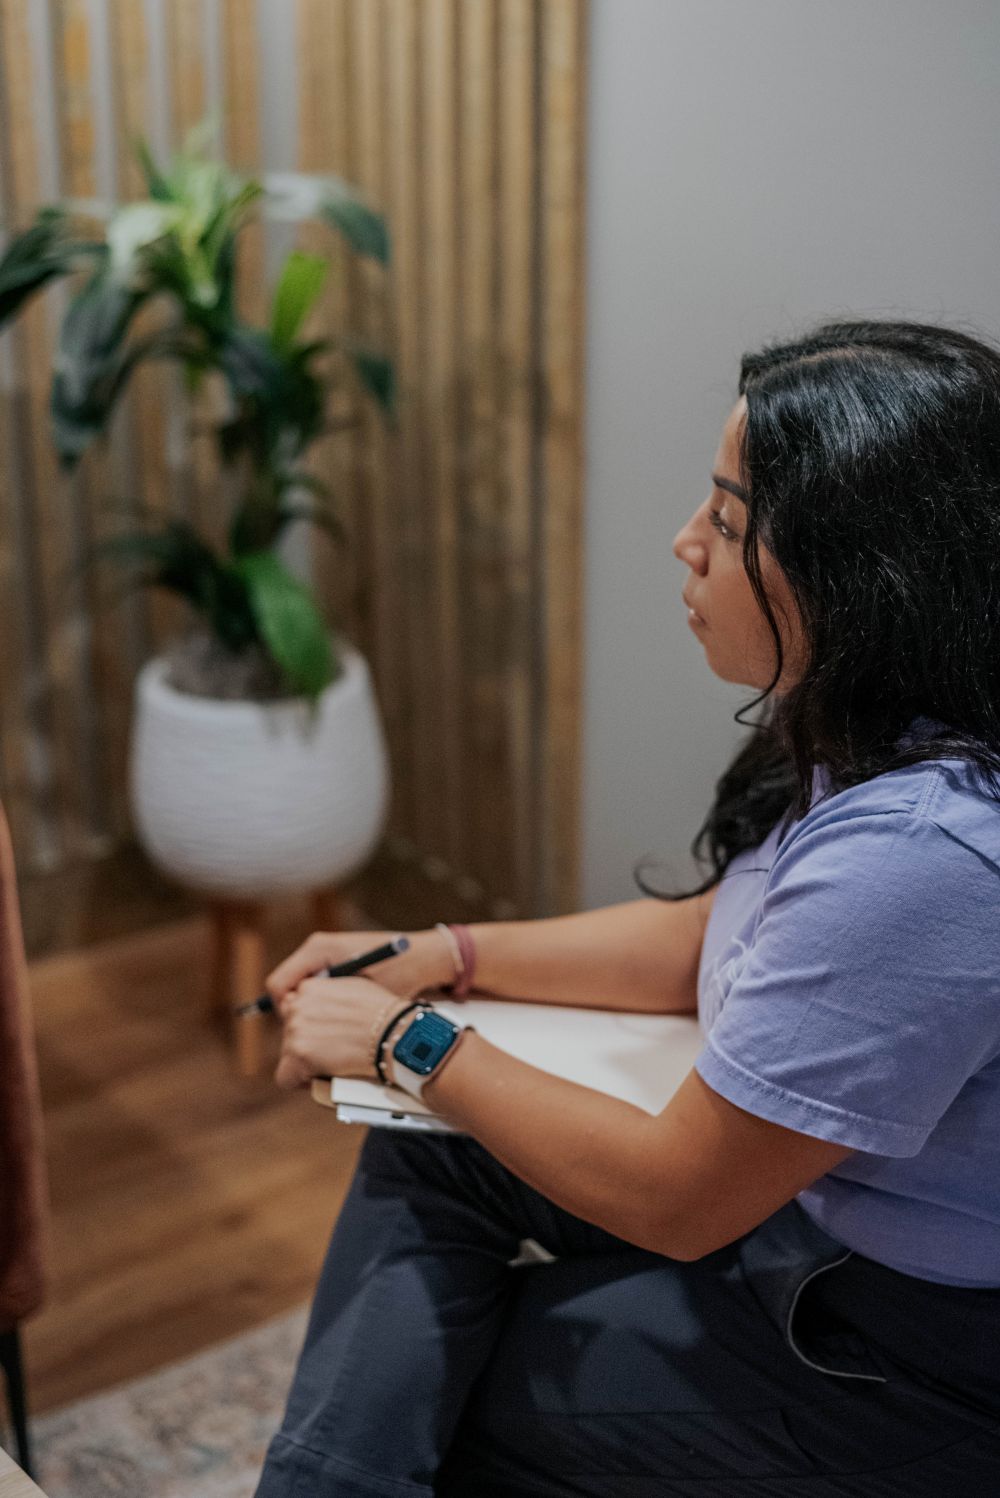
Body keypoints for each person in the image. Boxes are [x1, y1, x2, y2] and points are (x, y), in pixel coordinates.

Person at [253, 320, 1000, 1497]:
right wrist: (439, 955)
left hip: (899, 1360)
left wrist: (407, 1039)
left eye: (730, 522)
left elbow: (679, 1196)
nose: (685, 541)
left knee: (446, 1387)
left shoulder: (925, 854)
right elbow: (717, 927)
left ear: (862, 573)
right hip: (797, 1222)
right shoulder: (884, 725)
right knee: (430, 1163)